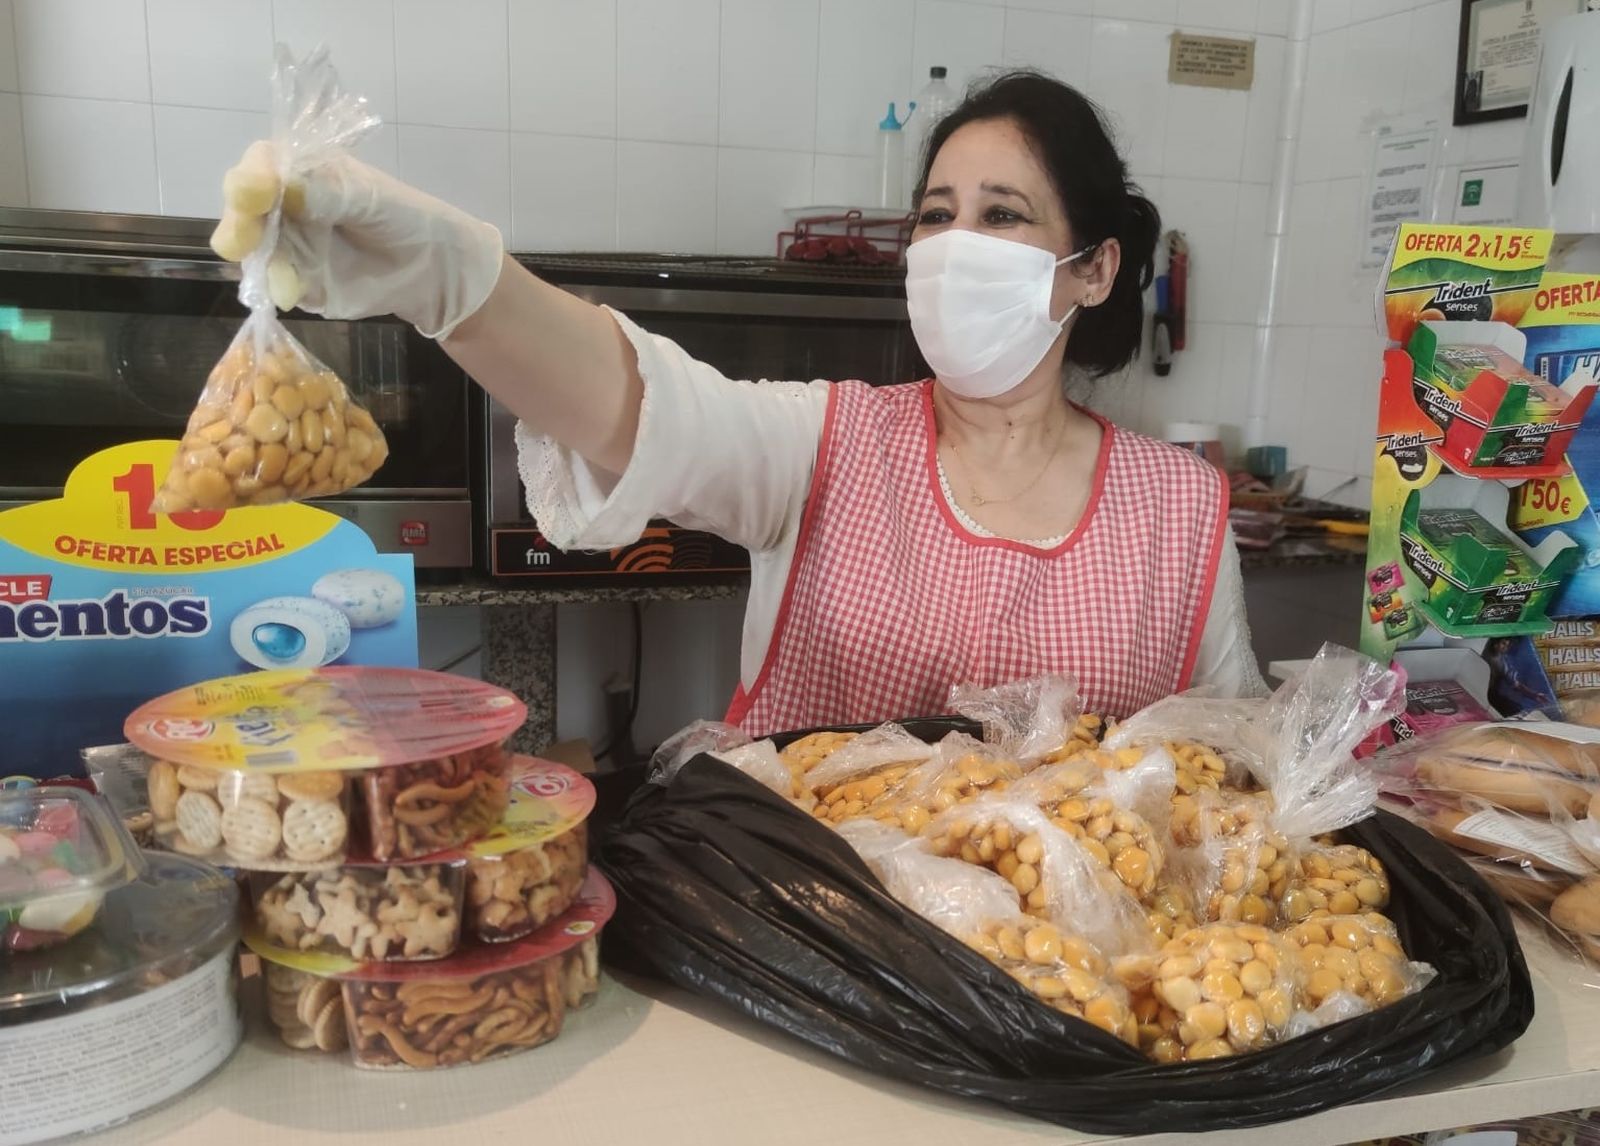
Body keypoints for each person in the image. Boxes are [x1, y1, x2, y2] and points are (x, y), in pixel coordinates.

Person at [216, 70, 1265, 736]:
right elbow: (638, 404)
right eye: (937, 217)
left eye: (1003, 216)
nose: (954, 250)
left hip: (1079, 995)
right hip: (816, 949)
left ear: (1091, 269)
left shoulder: (1179, 510)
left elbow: (1235, 762)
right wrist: (454, 281)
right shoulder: (827, 444)